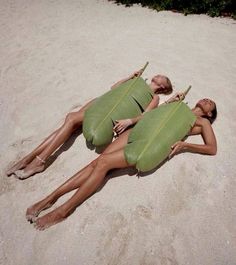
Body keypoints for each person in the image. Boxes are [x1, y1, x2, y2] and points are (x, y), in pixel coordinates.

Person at [26, 98, 217, 230]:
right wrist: (131, 121)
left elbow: (211, 148)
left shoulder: (202, 122)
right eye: (207, 98)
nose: (207, 100)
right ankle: (51, 198)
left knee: (103, 163)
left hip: (148, 143)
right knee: (96, 163)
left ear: (209, 114)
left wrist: (185, 144)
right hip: (137, 131)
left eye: (211, 103)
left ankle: (64, 210)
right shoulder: (178, 105)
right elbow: (151, 116)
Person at [6, 69, 173, 179]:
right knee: (69, 125)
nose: (159, 75)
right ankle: (28, 159)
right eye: (159, 75)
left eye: (162, 78)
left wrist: (129, 121)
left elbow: (145, 116)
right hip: (101, 103)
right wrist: (130, 77)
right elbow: (114, 88)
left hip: (112, 115)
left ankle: (39, 161)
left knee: (72, 119)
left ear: (163, 86)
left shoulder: (155, 98)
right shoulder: (138, 80)